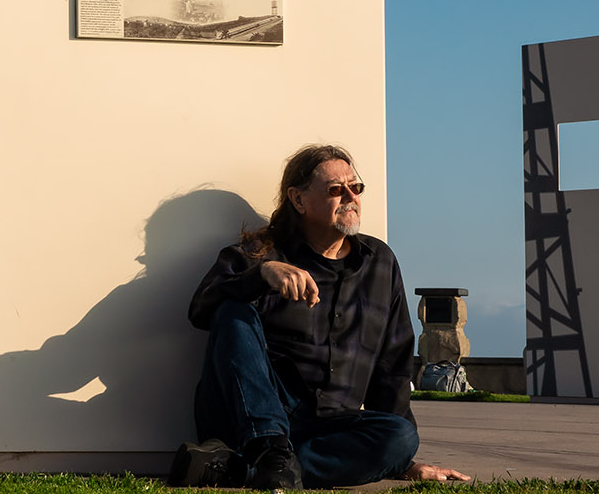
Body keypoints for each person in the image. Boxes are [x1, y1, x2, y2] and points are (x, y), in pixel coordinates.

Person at [173, 144, 469, 489]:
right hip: (255, 417)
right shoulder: (263, 254)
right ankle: (269, 449)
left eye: (355, 187)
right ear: (298, 200)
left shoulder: (380, 262)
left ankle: (245, 469)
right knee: (233, 309)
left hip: (329, 426)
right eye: (335, 190)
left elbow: (393, 367)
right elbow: (201, 308)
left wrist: (403, 461)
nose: (350, 197)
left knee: (400, 436)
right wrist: (261, 275)